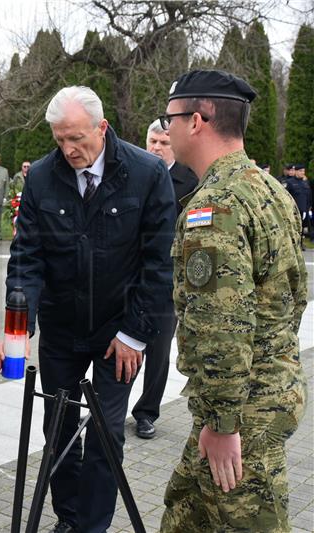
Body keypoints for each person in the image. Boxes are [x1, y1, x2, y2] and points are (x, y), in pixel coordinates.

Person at [0, 85, 175, 533]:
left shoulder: (147, 173)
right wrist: (16, 329)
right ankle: (68, 519)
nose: (69, 150)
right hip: (62, 328)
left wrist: (135, 333)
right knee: (57, 430)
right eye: (60, 139)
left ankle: (92, 527)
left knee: (105, 432)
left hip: (120, 332)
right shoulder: (41, 176)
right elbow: (27, 258)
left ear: (102, 127)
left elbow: (159, 264)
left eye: (77, 138)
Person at [157, 70, 308, 532]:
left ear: (197, 121)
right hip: (269, 397)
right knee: (185, 514)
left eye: (170, 119)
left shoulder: (215, 207)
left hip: (241, 418)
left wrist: (223, 424)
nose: (166, 129)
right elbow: (291, 298)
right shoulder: (271, 191)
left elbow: (222, 325)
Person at [130, 118, 199, 440]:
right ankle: (112, 406)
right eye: (152, 141)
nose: (156, 148)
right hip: (128, 275)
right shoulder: (132, 171)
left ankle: (146, 412)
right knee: (123, 343)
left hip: (166, 280)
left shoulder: (191, 180)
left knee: (157, 351)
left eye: (163, 143)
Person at [285, 163, 311, 249]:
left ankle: (300, 243)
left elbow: (308, 196)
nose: (302, 173)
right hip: (293, 210)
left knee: (302, 228)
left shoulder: (305, 183)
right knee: (293, 227)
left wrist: (309, 207)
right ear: (295, 171)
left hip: (304, 209)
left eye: (303, 171)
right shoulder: (289, 182)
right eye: (300, 171)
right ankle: (292, 244)